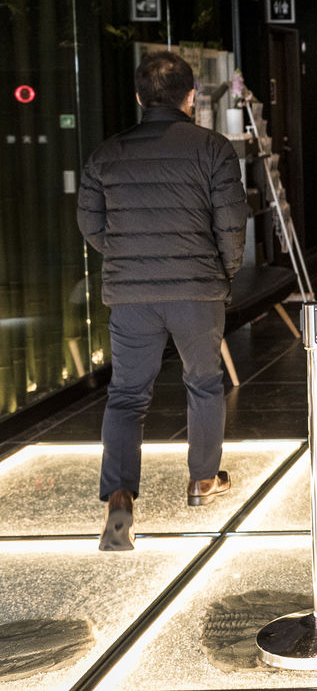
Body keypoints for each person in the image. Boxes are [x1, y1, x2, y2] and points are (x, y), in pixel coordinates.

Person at [77, 50, 248, 551]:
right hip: (196, 288)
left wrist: (130, 257)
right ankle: (202, 480)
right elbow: (231, 224)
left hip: (131, 294)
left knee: (127, 394)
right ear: (191, 97)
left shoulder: (106, 154)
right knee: (204, 383)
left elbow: (90, 223)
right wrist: (223, 270)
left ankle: (120, 496)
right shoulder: (213, 149)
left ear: (139, 97)